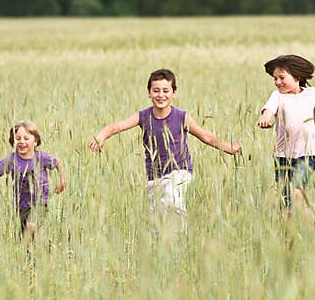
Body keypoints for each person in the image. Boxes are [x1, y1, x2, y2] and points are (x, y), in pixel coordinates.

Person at [88, 68, 241, 226]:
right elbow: (116, 127)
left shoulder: (182, 117)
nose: (161, 95)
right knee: (157, 217)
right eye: (156, 91)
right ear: (149, 92)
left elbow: (206, 136)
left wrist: (230, 149)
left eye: (166, 90)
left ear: (174, 92)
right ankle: (162, 245)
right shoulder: (143, 116)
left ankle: (180, 236)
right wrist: (101, 136)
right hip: (155, 177)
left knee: (172, 198)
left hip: (180, 171)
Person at [256, 54, 315, 223]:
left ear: (297, 77)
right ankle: (292, 239)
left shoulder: (312, 93)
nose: (278, 82)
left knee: (296, 192)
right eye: (275, 79)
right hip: (283, 156)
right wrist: (265, 118)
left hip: (307, 153)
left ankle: (313, 232)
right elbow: (269, 111)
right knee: (287, 203)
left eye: (282, 77)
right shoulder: (277, 96)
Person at [0, 120, 66, 238]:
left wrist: (62, 180)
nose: (22, 142)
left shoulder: (41, 157)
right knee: (25, 236)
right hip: (22, 205)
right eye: (18, 138)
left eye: (26, 138)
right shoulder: (11, 160)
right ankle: (35, 250)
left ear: (35, 141)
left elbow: (58, 163)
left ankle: (41, 242)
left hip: (40, 202)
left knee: (32, 225)